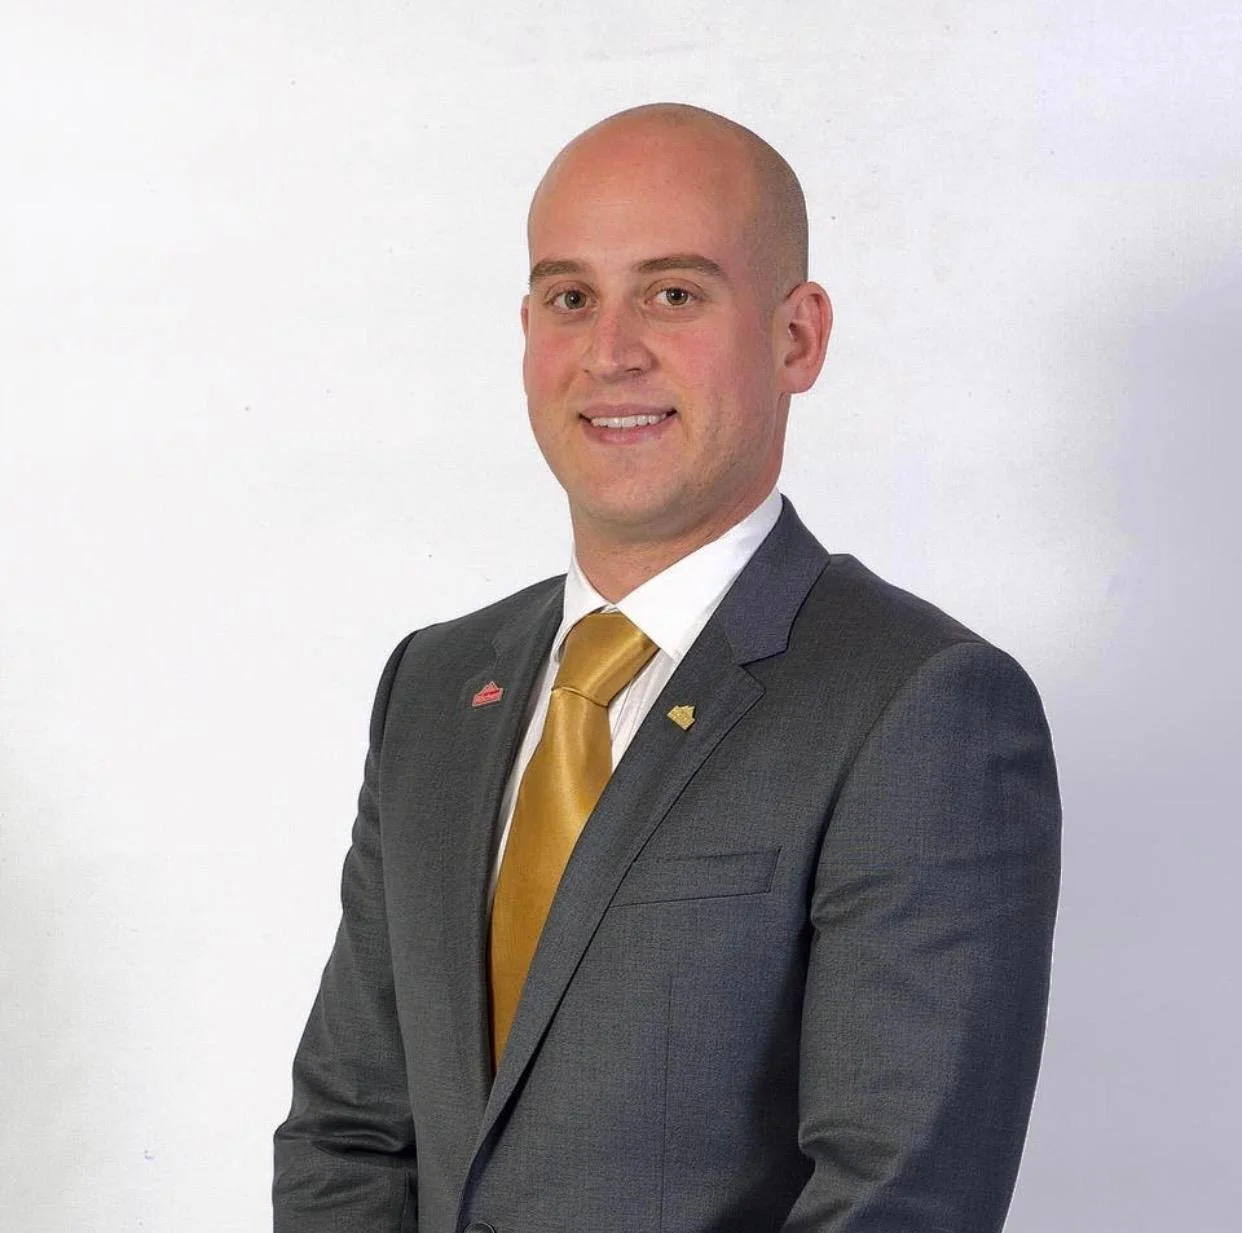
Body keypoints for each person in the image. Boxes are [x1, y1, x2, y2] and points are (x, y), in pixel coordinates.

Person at [273, 103, 1060, 1233]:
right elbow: (348, 1131)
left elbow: (899, 1200)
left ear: (798, 338)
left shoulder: (918, 703)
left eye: (674, 293)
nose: (610, 352)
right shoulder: (435, 689)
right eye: (570, 297)